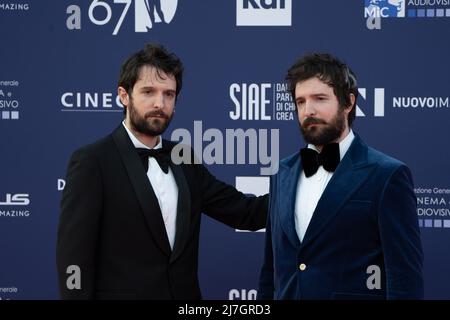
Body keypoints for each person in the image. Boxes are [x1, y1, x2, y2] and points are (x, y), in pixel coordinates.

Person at [56, 43, 268, 300]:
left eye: (169, 94)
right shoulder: (93, 161)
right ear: (124, 95)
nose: (160, 103)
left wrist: (303, 187)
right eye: (148, 92)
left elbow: (245, 213)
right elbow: (73, 258)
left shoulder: (184, 158)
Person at [257, 53, 423, 300]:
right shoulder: (283, 173)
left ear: (348, 102)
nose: (308, 110)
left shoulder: (387, 175)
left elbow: (404, 279)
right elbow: (270, 272)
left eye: (319, 99)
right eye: (300, 102)